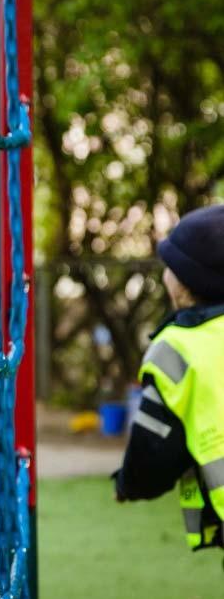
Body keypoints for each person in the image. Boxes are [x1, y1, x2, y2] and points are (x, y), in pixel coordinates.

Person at [114, 204, 224, 551]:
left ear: (186, 282)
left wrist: (128, 484)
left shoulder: (179, 347)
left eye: (169, 267)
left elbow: (153, 449)